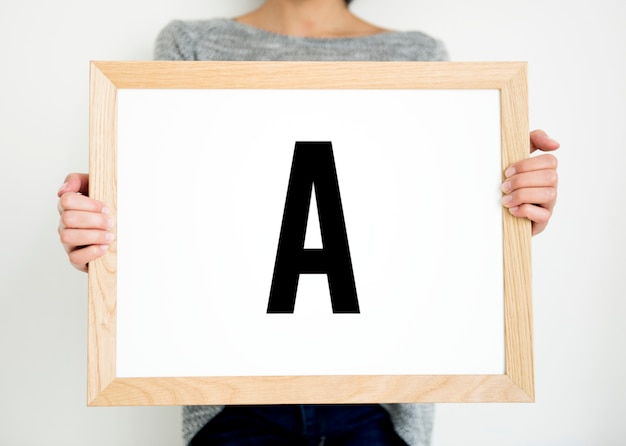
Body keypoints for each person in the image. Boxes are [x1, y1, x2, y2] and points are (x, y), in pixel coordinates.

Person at [57, 1, 560, 445]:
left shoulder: (419, 53)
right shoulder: (191, 44)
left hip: (381, 404)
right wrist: (105, 237)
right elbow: (172, 217)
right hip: (231, 401)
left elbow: (432, 230)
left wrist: (507, 213)